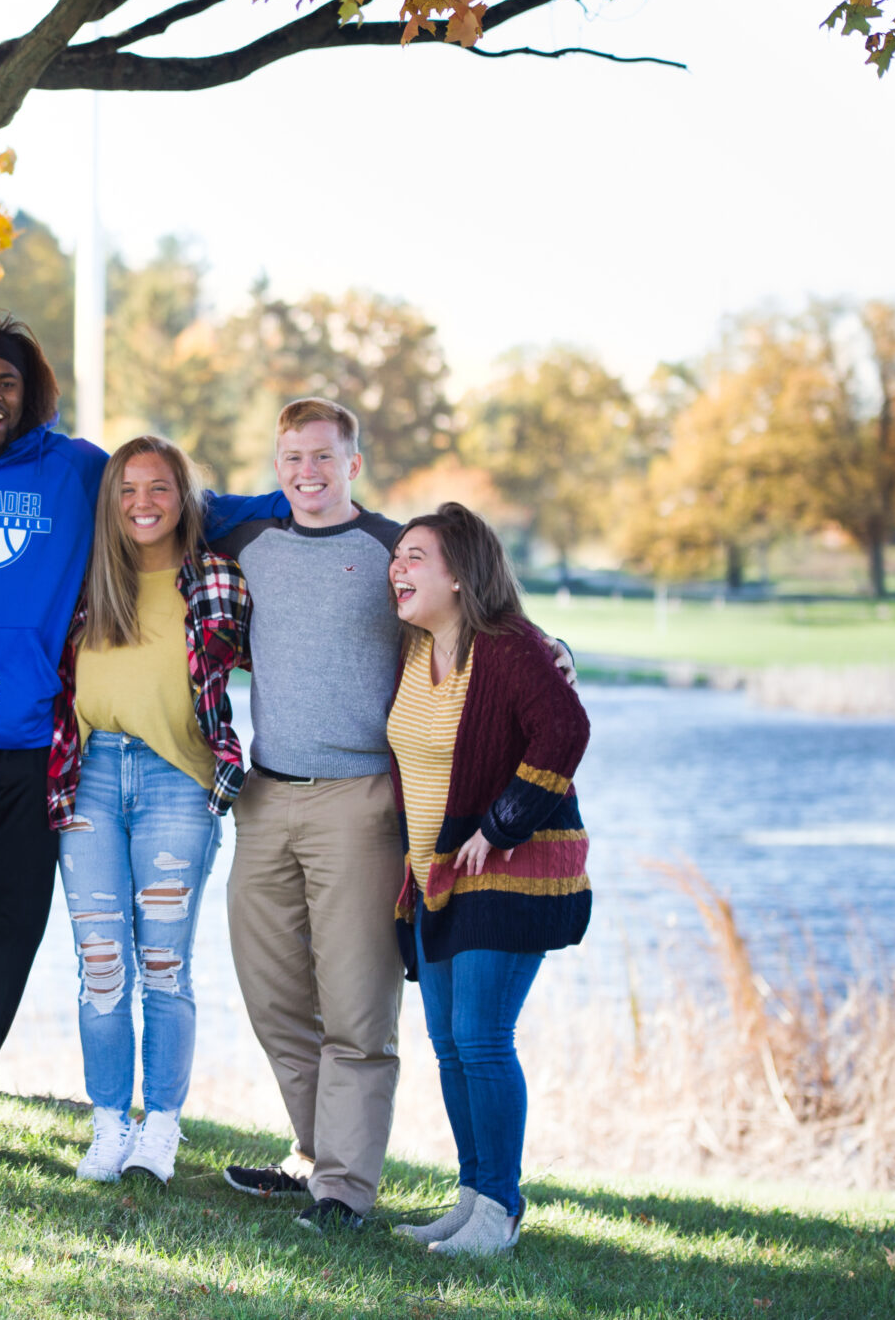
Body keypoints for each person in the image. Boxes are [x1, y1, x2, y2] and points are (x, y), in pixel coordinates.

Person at [0, 317, 282, 1165]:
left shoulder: (80, 469)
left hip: (33, 743)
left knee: (7, 928)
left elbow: (191, 506)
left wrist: (306, 506)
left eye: (7, 382)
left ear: (32, 393)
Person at [212, 398, 409, 1230]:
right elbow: (161, 520)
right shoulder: (250, 543)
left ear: (353, 464)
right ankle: (313, 1150)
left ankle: (345, 1190)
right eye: (293, 457)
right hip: (264, 798)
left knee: (358, 1008)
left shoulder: (394, 548)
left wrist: (552, 650)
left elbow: (477, 609)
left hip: (360, 803)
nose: (308, 472)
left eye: (324, 456)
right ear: (277, 466)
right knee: (273, 994)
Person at [383, 503, 590, 1257]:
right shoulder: (415, 648)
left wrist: (500, 825)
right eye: (397, 556)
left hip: (508, 874)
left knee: (482, 1037)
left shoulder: (507, 646)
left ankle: (499, 1208)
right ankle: (472, 1199)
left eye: (415, 556)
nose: (398, 568)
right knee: (449, 1043)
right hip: (434, 875)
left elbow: (565, 729)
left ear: (462, 576)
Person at [45, 436, 252, 1187]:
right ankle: (109, 1124)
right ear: (109, 500)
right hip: (90, 778)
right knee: (101, 965)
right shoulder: (84, 580)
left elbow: (298, 649)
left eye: (159, 486)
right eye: (127, 488)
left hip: (177, 782)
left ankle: (160, 1127)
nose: (142, 502)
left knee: (165, 966)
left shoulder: (219, 580)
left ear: (184, 496)